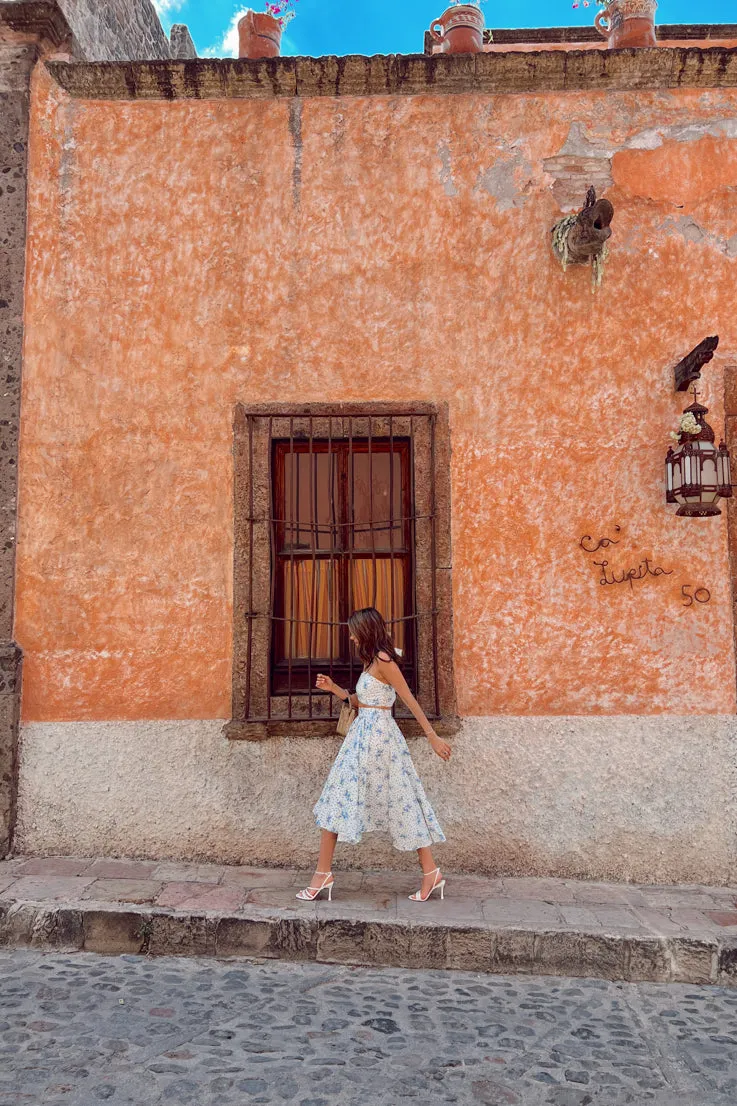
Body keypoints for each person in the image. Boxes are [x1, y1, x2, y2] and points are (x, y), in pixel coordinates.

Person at [295, 606, 451, 904]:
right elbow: (363, 702)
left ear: (366, 630)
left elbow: (408, 699)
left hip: (378, 740)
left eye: (354, 631)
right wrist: (335, 690)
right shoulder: (370, 662)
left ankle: (323, 875)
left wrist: (432, 736)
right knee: (354, 799)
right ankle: (429, 872)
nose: (351, 637)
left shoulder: (383, 660)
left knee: (390, 799)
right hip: (363, 735)